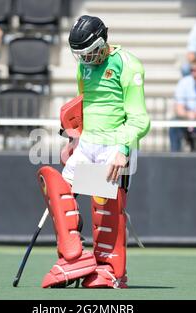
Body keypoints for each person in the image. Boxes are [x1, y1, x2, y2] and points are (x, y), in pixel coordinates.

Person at [37, 15, 150, 289]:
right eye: (80, 56)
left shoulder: (128, 64)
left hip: (114, 145)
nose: (86, 61)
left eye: (90, 53)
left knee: (105, 207)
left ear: (103, 40)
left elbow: (139, 119)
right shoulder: (84, 67)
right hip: (86, 144)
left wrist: (123, 150)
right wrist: (74, 139)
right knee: (58, 189)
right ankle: (73, 258)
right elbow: (84, 106)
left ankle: (111, 270)